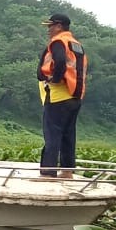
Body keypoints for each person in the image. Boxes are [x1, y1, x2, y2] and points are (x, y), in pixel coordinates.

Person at [38, 13, 87, 179]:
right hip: (75, 96)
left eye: (50, 26)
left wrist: (55, 79)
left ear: (58, 26)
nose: (48, 30)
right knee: (68, 135)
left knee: (52, 134)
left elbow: (59, 62)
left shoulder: (59, 41)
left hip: (58, 95)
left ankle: (47, 173)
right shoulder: (76, 45)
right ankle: (67, 171)